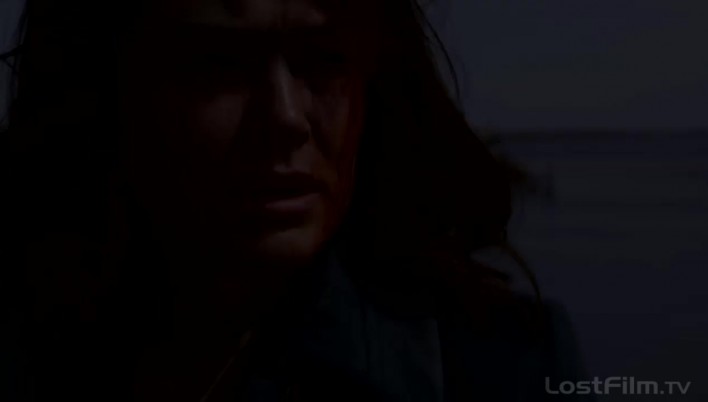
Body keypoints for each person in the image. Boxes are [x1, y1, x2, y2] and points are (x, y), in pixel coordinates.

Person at [0, 0, 593, 401]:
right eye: (220, 64)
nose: (284, 118)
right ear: (109, 86)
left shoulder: (502, 368)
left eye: (324, 59)